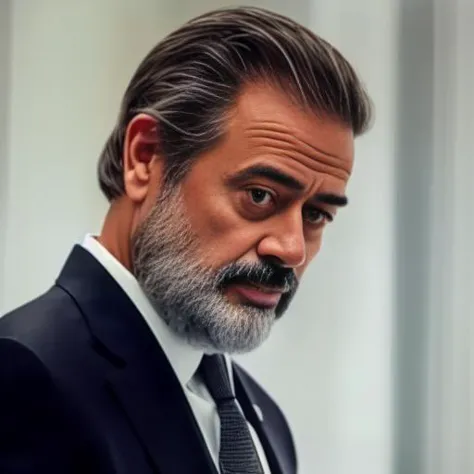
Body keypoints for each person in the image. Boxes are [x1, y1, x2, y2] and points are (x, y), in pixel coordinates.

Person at [0, 6, 372, 474]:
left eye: (316, 214)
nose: (292, 249)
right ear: (145, 158)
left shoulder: (263, 420)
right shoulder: (24, 379)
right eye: (259, 195)